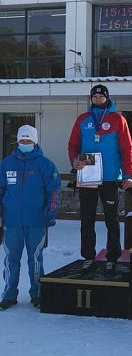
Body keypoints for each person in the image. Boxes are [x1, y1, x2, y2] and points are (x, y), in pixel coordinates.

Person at [68, 84, 132, 276]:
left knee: (111, 220)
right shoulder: (83, 119)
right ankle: (88, 257)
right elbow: (73, 144)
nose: (97, 99)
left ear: (107, 98)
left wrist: (129, 175)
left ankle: (112, 257)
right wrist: (74, 161)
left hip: (110, 177)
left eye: (101, 96)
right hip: (88, 178)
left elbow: (127, 149)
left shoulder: (118, 119)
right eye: (94, 96)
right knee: (87, 219)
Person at [0, 125, 61, 310]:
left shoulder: (46, 164)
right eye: (22, 140)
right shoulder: (6, 164)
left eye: (28, 141)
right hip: (12, 222)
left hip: (36, 221)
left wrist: (50, 213)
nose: (25, 143)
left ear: (35, 142)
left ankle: (38, 294)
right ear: (17, 141)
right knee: (11, 259)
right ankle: (9, 295)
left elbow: (54, 191)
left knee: (35, 259)